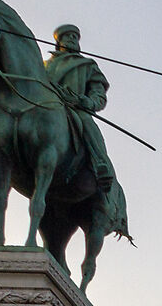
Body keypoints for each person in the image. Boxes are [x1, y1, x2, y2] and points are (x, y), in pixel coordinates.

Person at [44, 24, 118, 194]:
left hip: (75, 108)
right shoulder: (45, 65)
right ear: (59, 41)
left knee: (86, 122)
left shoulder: (87, 65)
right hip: (47, 106)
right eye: (67, 36)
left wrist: (86, 102)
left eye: (75, 37)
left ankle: (101, 163)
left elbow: (99, 96)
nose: (72, 39)